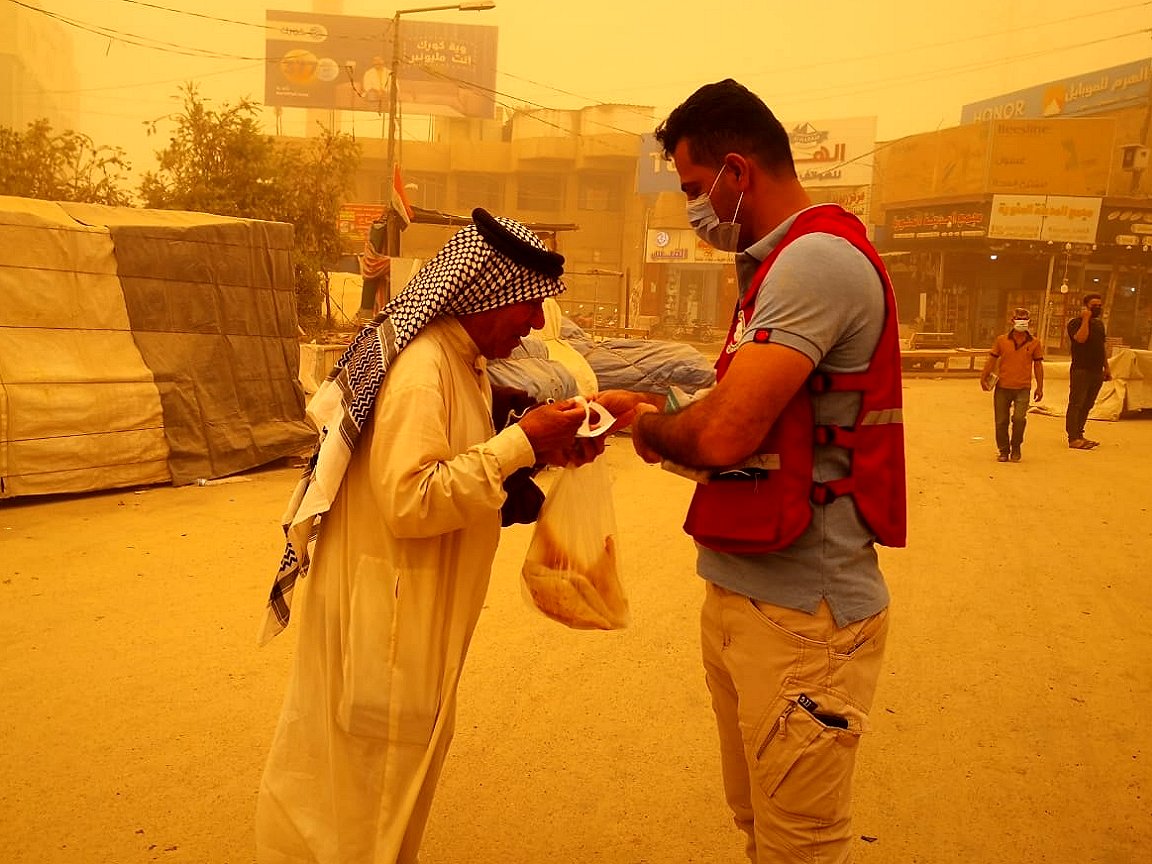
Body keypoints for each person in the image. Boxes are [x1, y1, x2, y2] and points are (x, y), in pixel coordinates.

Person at [596, 80, 905, 864]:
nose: (694, 211)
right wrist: (654, 407)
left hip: (804, 614)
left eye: (696, 190)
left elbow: (728, 432)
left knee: (797, 847)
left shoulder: (816, 263)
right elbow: (741, 409)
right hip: (751, 594)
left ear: (738, 172)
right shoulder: (774, 271)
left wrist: (648, 425)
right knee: (759, 829)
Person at [255, 209, 598, 864]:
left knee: (375, 793)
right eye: (527, 306)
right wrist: (519, 445)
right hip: (387, 629)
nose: (532, 325)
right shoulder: (424, 369)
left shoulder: (459, 360)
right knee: (369, 800)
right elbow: (412, 500)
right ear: (485, 291)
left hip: (399, 618)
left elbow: (455, 465)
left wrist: (525, 460)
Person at [980, 307, 1044, 462]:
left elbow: (1038, 365)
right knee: (1001, 420)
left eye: (1024, 319)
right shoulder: (1002, 340)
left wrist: (1040, 387)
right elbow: (992, 359)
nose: (1021, 322)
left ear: (1029, 321)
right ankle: (1003, 450)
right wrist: (984, 376)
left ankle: (1016, 447)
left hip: (1023, 388)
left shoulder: (1035, 343)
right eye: (1019, 319)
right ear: (1012, 320)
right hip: (1002, 386)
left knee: (1019, 418)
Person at [1066, 292, 1110, 450]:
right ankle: (1073, 437)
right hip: (1081, 370)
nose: (1097, 308)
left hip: (1096, 370)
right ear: (1086, 307)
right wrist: (1085, 319)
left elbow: (1101, 347)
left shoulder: (1099, 325)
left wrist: (1107, 367)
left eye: (1099, 305)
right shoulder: (1075, 323)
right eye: (1094, 306)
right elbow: (1081, 338)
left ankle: (1080, 433)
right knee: (1076, 403)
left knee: (1088, 404)